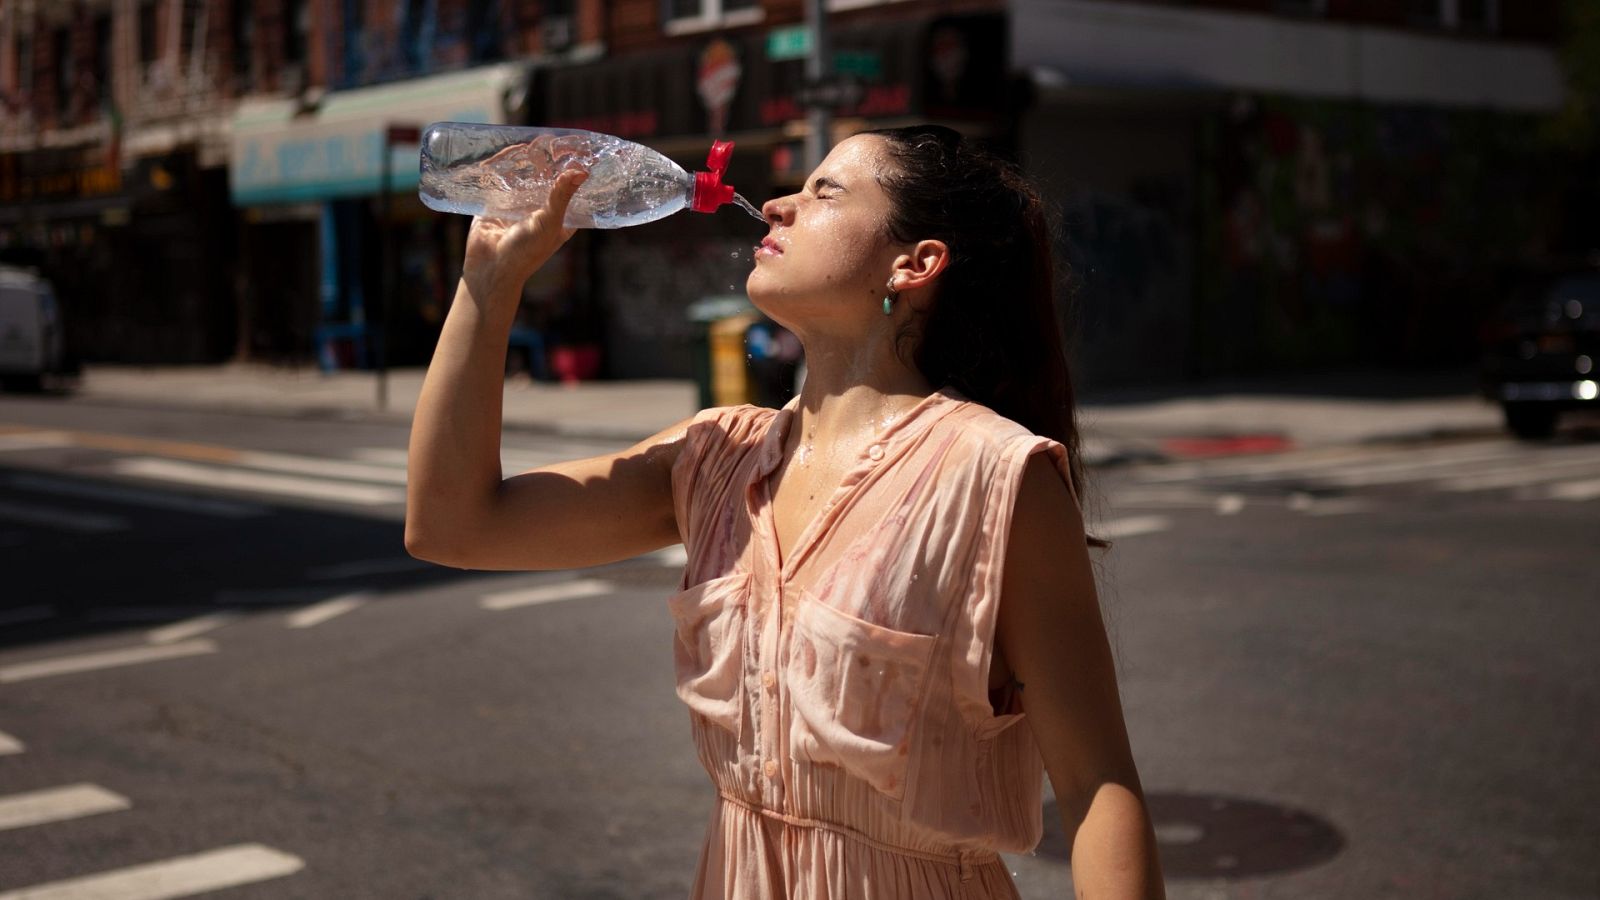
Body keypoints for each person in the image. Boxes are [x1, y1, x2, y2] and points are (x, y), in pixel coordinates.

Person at [405, 125, 1165, 899]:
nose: (775, 205)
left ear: (916, 263)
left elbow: (1097, 782)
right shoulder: (712, 459)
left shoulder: (995, 475)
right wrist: (488, 285)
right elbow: (452, 526)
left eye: (824, 192)